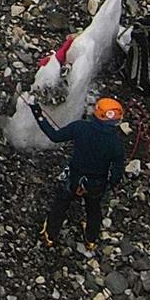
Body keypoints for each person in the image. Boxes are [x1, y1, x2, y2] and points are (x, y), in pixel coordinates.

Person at [31, 94, 129, 244]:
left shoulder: (80, 127)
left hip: (74, 177)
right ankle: (91, 238)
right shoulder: (116, 143)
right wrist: (111, 184)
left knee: (61, 203)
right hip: (96, 183)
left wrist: (38, 114)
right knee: (93, 209)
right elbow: (117, 169)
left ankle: (50, 234)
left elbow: (55, 136)